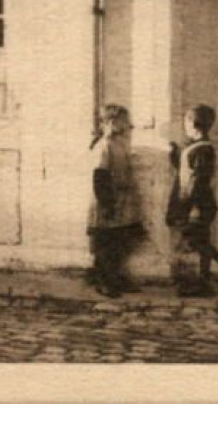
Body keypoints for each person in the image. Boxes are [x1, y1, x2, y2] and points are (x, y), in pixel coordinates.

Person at [165, 104, 218, 297]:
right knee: (203, 242)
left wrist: (191, 206)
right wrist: (175, 156)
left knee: (197, 242)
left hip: (198, 203)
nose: (184, 125)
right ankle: (207, 280)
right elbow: (186, 171)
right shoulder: (195, 147)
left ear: (195, 124)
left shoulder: (204, 149)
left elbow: (199, 179)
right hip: (197, 202)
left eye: (186, 120)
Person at [87, 103, 145, 298]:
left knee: (119, 241)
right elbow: (100, 176)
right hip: (108, 200)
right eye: (124, 121)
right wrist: (107, 203)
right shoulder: (104, 146)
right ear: (111, 122)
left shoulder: (119, 144)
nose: (129, 124)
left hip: (122, 200)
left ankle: (116, 277)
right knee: (105, 243)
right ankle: (103, 281)